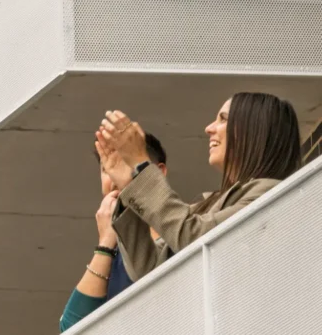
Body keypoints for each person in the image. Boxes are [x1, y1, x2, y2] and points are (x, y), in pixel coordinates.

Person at [97, 93, 301, 280]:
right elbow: (149, 269)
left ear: (256, 130)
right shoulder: (209, 203)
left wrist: (142, 167)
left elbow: (195, 240)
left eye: (223, 119)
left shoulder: (272, 194)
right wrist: (129, 186)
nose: (209, 128)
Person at [59, 134, 168, 332]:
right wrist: (105, 245)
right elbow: (72, 326)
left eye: (124, 164)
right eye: (107, 169)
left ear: (158, 173)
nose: (114, 178)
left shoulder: (181, 232)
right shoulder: (113, 254)